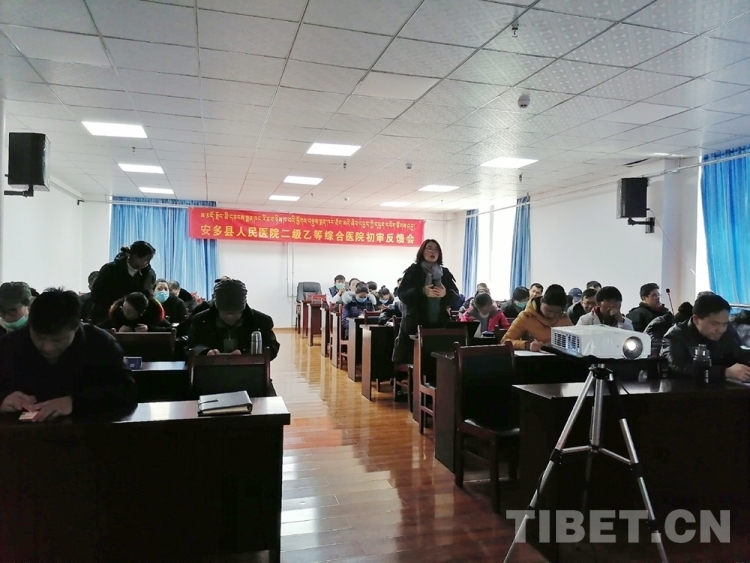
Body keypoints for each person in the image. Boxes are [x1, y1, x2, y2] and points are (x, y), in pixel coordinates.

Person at [0, 288, 137, 422]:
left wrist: (75, 402)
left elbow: (127, 392)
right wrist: (3, 399)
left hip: (86, 431)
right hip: (21, 432)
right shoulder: (9, 345)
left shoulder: (100, 343)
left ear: (76, 327)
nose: (48, 348)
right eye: (39, 338)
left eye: (57, 340)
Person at [392, 239, 459, 364]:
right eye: (429, 248)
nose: (433, 252)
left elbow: (456, 296)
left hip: (439, 324)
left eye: (436, 249)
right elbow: (402, 294)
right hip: (415, 324)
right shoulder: (413, 271)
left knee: (438, 361)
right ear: (422, 252)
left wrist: (445, 294)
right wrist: (422, 291)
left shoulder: (444, 273)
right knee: (418, 361)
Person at [662, 293, 750, 382]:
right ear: (696, 320)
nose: (721, 330)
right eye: (714, 324)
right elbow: (678, 367)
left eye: (724, 324)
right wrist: (724, 372)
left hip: (719, 387)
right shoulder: (675, 335)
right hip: (683, 388)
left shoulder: (725, 332)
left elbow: (738, 355)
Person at [188, 278, 279, 360]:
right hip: (210, 370)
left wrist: (246, 353)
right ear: (217, 309)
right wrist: (205, 352)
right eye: (225, 312)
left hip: (248, 370)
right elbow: (189, 346)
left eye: (234, 313)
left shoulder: (260, 321)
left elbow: (272, 347)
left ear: (242, 310)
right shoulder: (200, 321)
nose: (229, 317)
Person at [90, 241, 157, 324]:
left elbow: (147, 297)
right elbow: (98, 296)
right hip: (108, 318)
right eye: (146, 260)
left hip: (136, 320)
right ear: (135, 257)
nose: (148, 263)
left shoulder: (148, 274)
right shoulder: (110, 270)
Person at [502, 284, 571, 352]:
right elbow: (505, 341)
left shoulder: (563, 317)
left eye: (557, 312)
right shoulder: (526, 316)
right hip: (535, 358)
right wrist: (527, 345)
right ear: (541, 301)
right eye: (548, 310)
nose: (552, 315)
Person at [100, 292, 172, 333]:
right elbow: (98, 330)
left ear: (141, 313)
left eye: (129, 311)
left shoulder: (153, 315)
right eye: (124, 308)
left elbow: (171, 329)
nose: (125, 313)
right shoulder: (117, 314)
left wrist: (150, 329)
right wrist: (117, 330)